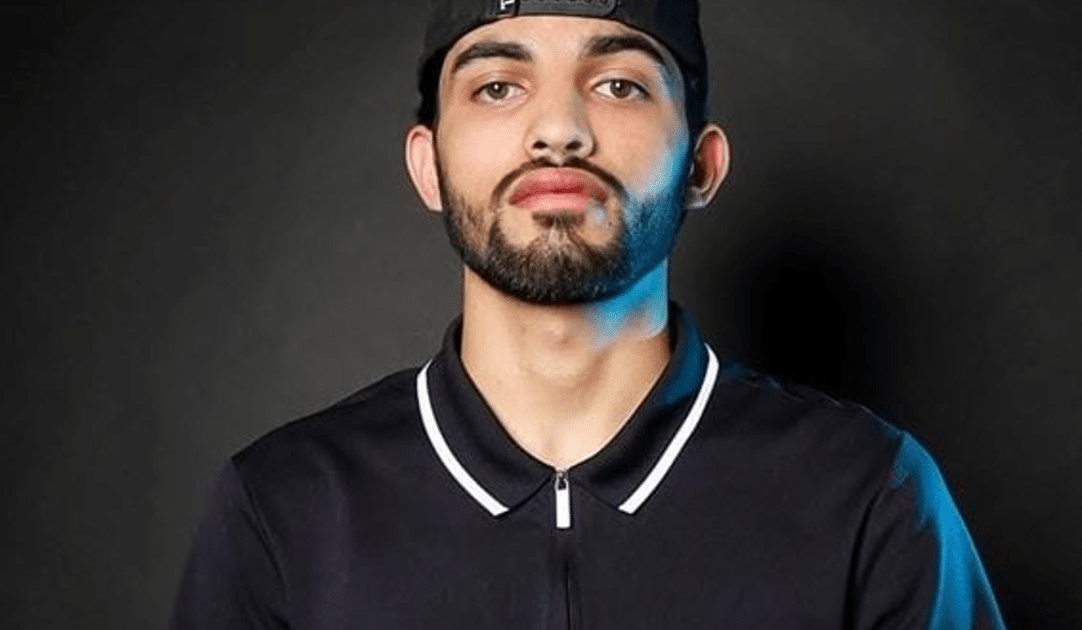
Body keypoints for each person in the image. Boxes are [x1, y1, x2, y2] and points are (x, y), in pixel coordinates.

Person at [170, 1, 1007, 628]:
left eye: (618, 84)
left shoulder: (869, 494)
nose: (559, 130)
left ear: (700, 166)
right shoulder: (284, 507)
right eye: (499, 86)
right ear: (428, 166)